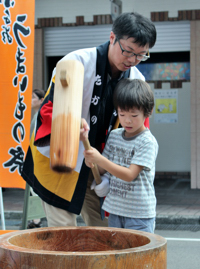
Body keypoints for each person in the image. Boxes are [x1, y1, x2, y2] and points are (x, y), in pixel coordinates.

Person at [21, 12, 157, 227]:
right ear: (112, 37)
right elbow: (49, 110)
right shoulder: (76, 63)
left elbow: (139, 131)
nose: (132, 60)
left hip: (98, 168)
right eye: (128, 51)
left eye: (141, 55)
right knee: (64, 236)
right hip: (60, 161)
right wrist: (69, 125)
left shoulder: (136, 80)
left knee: (104, 234)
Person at [84, 79, 159, 233]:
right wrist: (91, 161)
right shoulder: (115, 135)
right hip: (115, 210)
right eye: (122, 114)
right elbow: (103, 169)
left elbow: (130, 175)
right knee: (118, 255)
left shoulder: (147, 142)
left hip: (139, 214)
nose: (127, 120)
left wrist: (100, 159)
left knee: (138, 256)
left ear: (148, 111)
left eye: (134, 115)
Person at [27, 89, 45, 228]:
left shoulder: (40, 116)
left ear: (41, 100)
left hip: (38, 160)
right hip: (33, 158)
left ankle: (37, 220)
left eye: (33, 97)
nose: (30, 99)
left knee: (36, 191)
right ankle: (36, 219)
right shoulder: (35, 116)